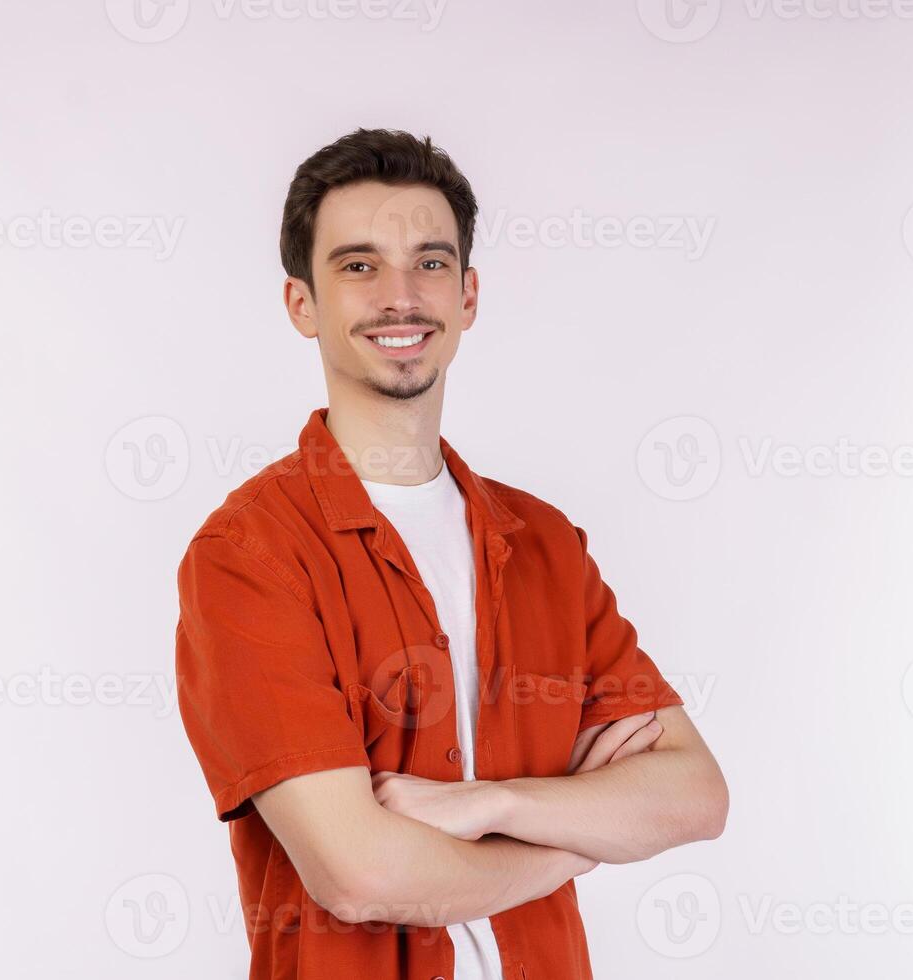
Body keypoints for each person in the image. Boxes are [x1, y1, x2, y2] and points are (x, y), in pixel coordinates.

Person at [175, 128, 728, 980]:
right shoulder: (250, 555)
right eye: (358, 266)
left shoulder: (543, 543)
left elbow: (694, 796)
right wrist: (576, 842)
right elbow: (358, 875)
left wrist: (491, 804)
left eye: (430, 263)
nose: (401, 297)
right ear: (301, 304)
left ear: (468, 295)